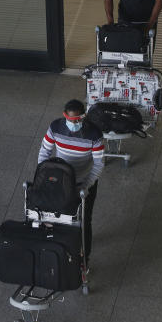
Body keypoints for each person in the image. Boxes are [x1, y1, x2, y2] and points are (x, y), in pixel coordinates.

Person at [38, 99, 104, 260]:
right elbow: (44, 152)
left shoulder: (94, 135)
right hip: (60, 181)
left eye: (76, 120)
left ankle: (84, 258)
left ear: (83, 117)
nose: (73, 124)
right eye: (69, 120)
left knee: (84, 221)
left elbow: (99, 164)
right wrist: (44, 176)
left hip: (83, 182)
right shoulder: (55, 127)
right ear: (64, 116)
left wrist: (86, 186)